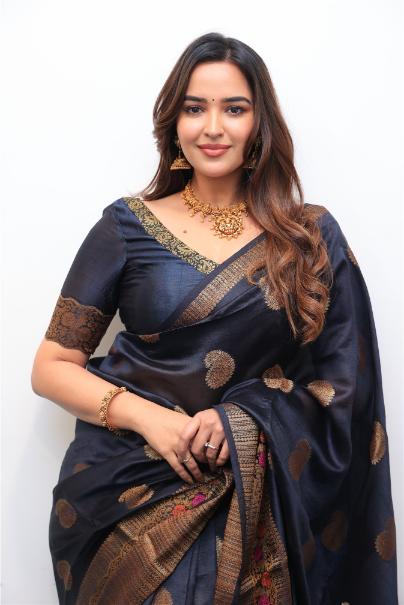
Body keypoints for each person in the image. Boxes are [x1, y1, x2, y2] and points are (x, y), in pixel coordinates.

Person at [31, 32, 398, 604]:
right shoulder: (125, 228)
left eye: (234, 109)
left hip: (262, 506)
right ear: (174, 121)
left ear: (259, 123)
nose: (213, 127)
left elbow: (345, 388)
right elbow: (51, 367)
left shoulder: (308, 239)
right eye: (195, 108)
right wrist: (150, 419)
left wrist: (243, 419)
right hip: (126, 494)